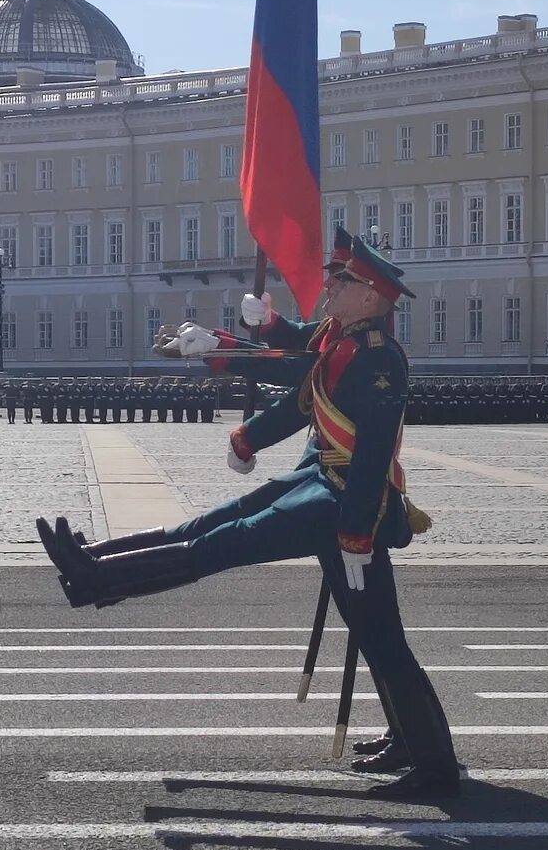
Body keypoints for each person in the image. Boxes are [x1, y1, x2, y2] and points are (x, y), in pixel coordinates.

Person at [36, 234, 458, 800]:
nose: (328, 286)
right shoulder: (341, 339)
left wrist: (357, 533)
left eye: (341, 281)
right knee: (222, 527)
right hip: (322, 480)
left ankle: (435, 767)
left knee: (236, 546)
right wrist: (225, 344)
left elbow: (373, 450)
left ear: (371, 296)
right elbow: (295, 365)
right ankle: (97, 559)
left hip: (346, 502)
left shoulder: (380, 358)